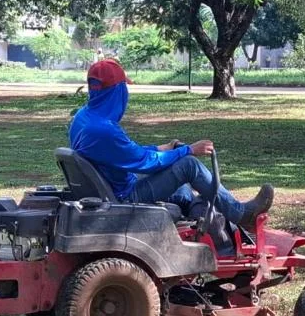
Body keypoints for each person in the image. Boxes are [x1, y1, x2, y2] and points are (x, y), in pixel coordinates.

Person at [68, 58, 274, 229]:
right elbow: (145, 162)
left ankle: (198, 212)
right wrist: (189, 150)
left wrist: (163, 148)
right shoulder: (104, 130)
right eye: (123, 88)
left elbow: (123, 153)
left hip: (113, 185)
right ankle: (241, 214)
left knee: (177, 171)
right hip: (124, 198)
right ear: (115, 92)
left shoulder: (83, 118)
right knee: (189, 165)